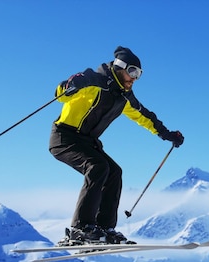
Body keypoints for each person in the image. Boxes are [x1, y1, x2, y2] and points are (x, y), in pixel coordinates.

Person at [49, 46, 183, 245]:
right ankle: (80, 228)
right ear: (120, 67)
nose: (134, 78)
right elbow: (61, 95)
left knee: (114, 172)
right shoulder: (93, 81)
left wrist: (166, 134)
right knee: (97, 167)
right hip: (65, 137)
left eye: (139, 74)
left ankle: (105, 229)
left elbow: (144, 116)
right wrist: (70, 83)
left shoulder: (123, 97)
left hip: (88, 142)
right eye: (132, 72)